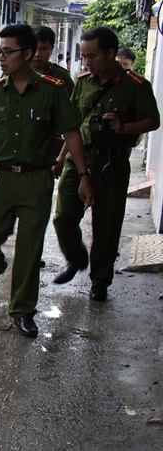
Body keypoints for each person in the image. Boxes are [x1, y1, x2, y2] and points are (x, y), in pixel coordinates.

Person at [0, 24, 92, 338]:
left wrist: (84, 175)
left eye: (8, 51)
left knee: (30, 250)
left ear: (28, 54)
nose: (1, 58)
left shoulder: (53, 91)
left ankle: (23, 311)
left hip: (36, 181)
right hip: (1, 179)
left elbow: (72, 132)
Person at [52, 26, 160, 301]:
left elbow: (153, 120)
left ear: (111, 54)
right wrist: (60, 158)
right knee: (63, 216)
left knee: (106, 224)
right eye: (84, 56)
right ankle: (76, 258)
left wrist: (125, 127)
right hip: (79, 159)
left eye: (92, 56)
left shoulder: (136, 86)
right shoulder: (83, 82)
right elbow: (72, 126)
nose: (87, 61)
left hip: (111, 162)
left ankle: (100, 280)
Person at [32, 25, 75, 95]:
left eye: (44, 49)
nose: (38, 54)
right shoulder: (16, 74)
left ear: (51, 49)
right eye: (34, 48)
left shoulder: (62, 76)